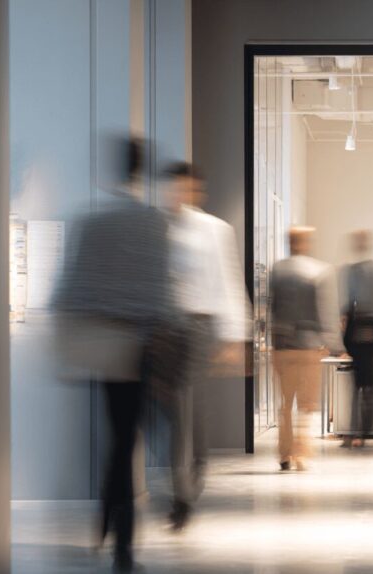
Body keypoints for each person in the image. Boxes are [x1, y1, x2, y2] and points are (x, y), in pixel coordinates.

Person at [53, 136, 179, 572]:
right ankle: (119, 537)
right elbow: (162, 294)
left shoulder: (91, 223)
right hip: (139, 346)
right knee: (126, 440)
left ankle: (108, 521)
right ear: (141, 171)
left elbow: (69, 290)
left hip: (101, 345)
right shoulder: (154, 223)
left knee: (116, 439)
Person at [158, 162, 250, 531]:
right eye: (174, 188)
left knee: (186, 408)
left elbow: (228, 280)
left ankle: (187, 484)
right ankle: (182, 481)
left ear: (197, 192)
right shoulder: (159, 228)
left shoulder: (214, 230)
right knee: (173, 412)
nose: (179, 195)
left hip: (198, 327)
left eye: (186, 188)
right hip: (163, 328)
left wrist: (236, 336)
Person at [270, 227, 342, 471]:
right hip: (309, 347)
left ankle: (284, 453)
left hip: (282, 348)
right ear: (306, 242)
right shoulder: (320, 271)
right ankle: (300, 452)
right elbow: (326, 311)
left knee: (286, 404)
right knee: (307, 404)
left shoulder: (278, 270)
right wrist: (334, 345)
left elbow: (272, 309)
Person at [340, 231, 373, 448]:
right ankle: (360, 431)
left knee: (360, 386)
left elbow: (349, 306)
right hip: (366, 330)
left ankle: (358, 431)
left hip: (361, 330)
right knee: (364, 386)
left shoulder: (354, 271)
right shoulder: (372, 271)